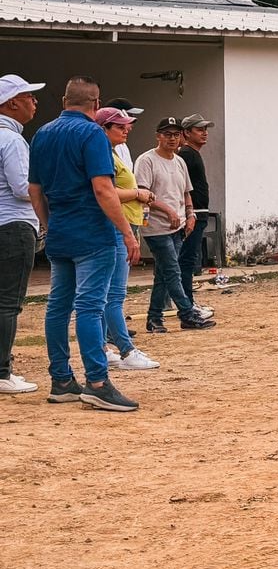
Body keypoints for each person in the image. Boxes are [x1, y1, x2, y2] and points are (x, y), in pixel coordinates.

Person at [32, 76, 144, 411]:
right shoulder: (93, 133)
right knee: (90, 307)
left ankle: (62, 379)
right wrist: (125, 231)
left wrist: (50, 224)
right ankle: (97, 382)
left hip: (61, 231)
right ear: (96, 104)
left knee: (58, 306)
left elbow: (34, 190)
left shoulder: (42, 133)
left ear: (64, 100)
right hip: (92, 233)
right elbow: (103, 189)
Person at [96, 107, 161, 372]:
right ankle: (126, 350)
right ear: (104, 129)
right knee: (114, 294)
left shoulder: (110, 153)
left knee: (106, 295)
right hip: (117, 224)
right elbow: (107, 191)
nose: (126, 130)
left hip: (121, 222)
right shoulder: (104, 155)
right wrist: (137, 193)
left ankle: (104, 347)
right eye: (120, 126)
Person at [136, 116, 212, 335]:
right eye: (167, 134)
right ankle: (187, 314)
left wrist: (190, 214)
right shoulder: (147, 160)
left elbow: (186, 192)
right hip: (157, 227)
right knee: (172, 271)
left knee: (163, 274)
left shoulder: (179, 161)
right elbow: (144, 194)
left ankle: (154, 319)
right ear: (158, 136)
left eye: (176, 134)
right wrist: (168, 210)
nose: (172, 138)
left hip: (178, 227)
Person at [0, 74, 45, 395]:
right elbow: (21, 187)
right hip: (14, 226)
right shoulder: (13, 140)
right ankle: (2, 372)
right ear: (11, 103)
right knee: (8, 303)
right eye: (28, 96)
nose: (35, 101)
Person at [177, 113, 216, 318]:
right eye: (199, 129)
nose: (204, 133)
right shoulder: (186, 154)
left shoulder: (192, 154)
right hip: (192, 213)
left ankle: (187, 302)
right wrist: (188, 211)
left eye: (205, 129)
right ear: (187, 132)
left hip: (198, 212)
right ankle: (186, 304)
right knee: (186, 260)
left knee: (189, 260)